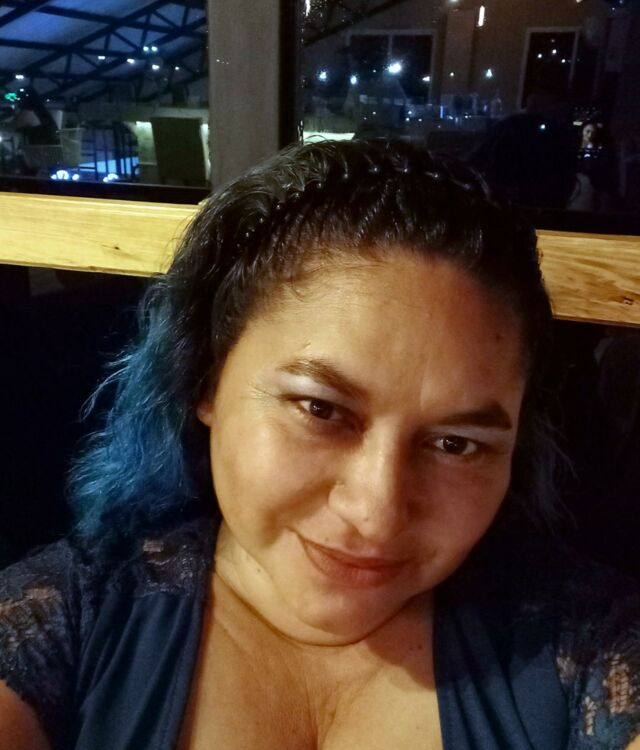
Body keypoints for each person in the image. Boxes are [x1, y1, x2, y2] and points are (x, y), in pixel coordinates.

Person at [1, 140, 639, 750]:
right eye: (321, 409)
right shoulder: (65, 622)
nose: (376, 513)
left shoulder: (587, 646)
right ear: (207, 380)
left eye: (454, 443)